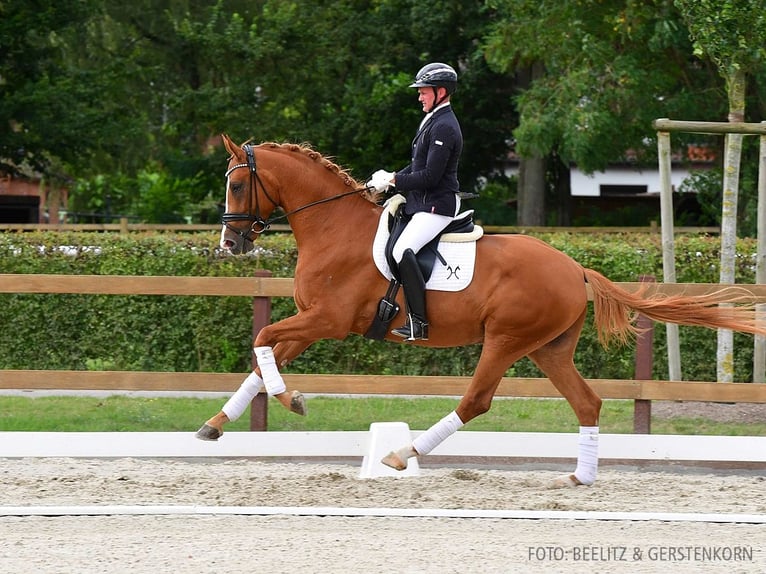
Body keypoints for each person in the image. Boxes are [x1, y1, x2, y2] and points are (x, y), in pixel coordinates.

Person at [367, 62, 464, 341]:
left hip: (437, 205)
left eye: (423, 92)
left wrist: (395, 181)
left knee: (402, 250)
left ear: (441, 91)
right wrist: (389, 178)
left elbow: (431, 176)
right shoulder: (433, 120)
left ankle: (418, 322)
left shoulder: (445, 126)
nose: (420, 96)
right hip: (422, 203)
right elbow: (416, 165)